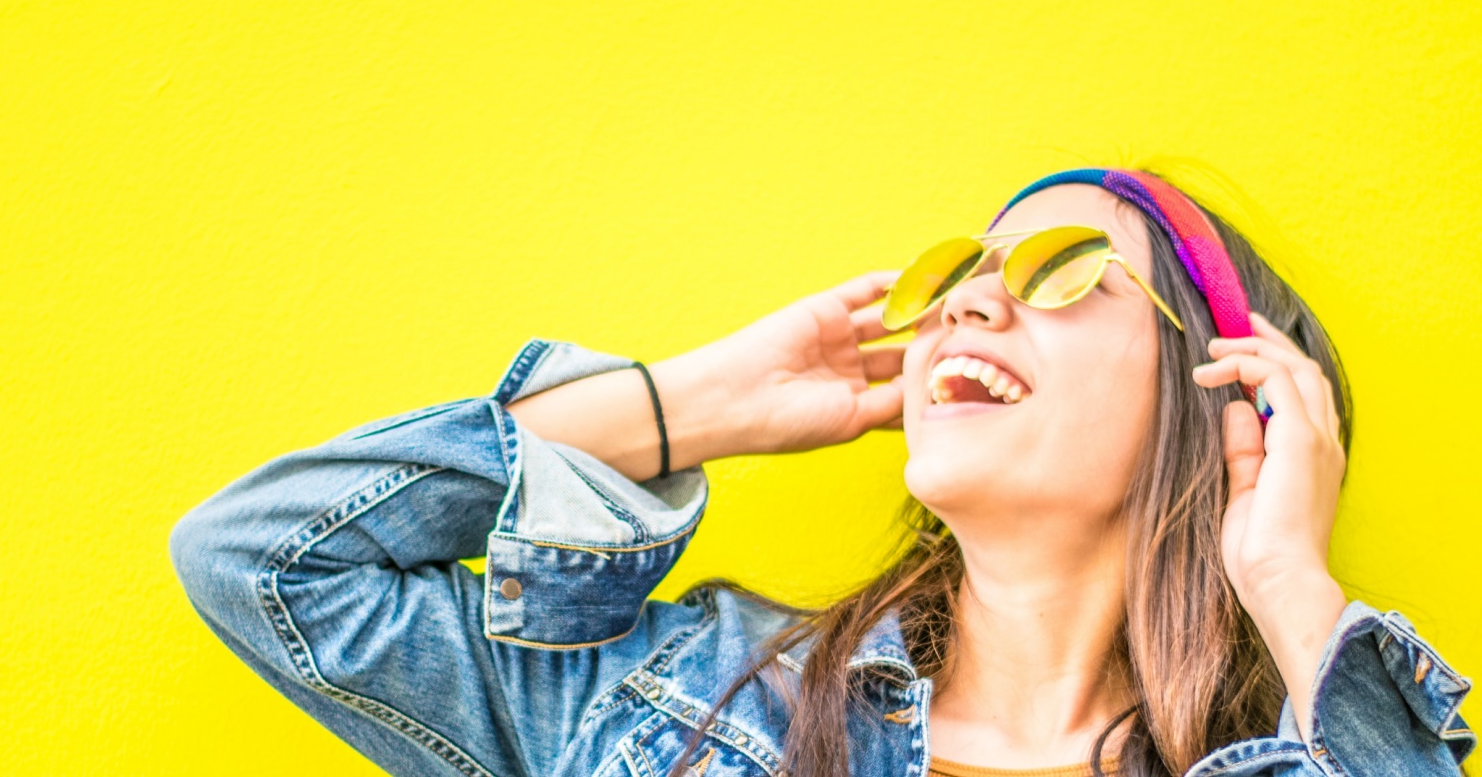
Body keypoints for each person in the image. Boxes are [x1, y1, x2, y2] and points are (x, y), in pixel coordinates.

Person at [169, 167, 1474, 777]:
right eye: (953, 283)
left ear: (1230, 392)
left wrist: (1289, 584)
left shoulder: (1294, 761)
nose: (966, 309)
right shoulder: (671, 710)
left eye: (1061, 272)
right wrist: (684, 407)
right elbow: (266, 562)